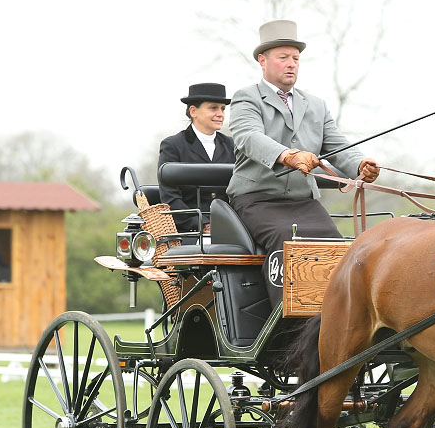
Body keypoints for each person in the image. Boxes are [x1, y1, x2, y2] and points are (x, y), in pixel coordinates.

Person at [226, 19, 380, 305]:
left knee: (333, 242)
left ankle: (333, 320)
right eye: (283, 57)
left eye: (296, 58)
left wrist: (360, 165)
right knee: (288, 241)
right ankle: (287, 330)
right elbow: (249, 137)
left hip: (303, 200)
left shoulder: (316, 105)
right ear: (263, 60)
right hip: (257, 199)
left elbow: (336, 145)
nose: (291, 64)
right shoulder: (246, 98)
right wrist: (289, 155)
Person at [158, 83, 235, 237]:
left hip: (231, 227)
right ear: (193, 111)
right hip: (188, 231)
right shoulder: (173, 145)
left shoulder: (232, 145)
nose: (220, 114)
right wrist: (203, 223)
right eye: (213, 108)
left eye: (222, 109)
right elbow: (170, 197)